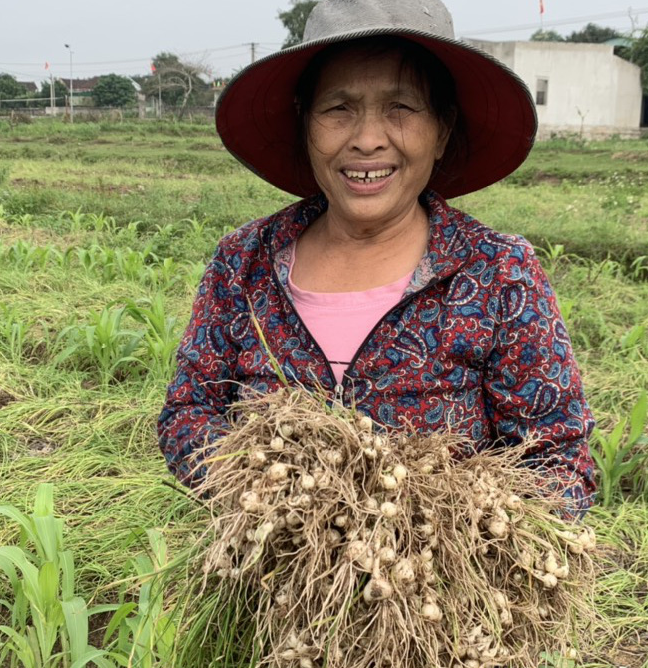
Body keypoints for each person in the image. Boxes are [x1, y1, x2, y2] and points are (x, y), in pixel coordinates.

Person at [158, 0, 595, 519]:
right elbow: (189, 414)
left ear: (443, 130)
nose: (367, 139)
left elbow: (561, 464)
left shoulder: (499, 273)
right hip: (261, 584)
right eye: (338, 108)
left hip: (438, 590)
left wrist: (426, 531)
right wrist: (280, 504)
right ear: (306, 125)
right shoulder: (244, 263)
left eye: (402, 108)